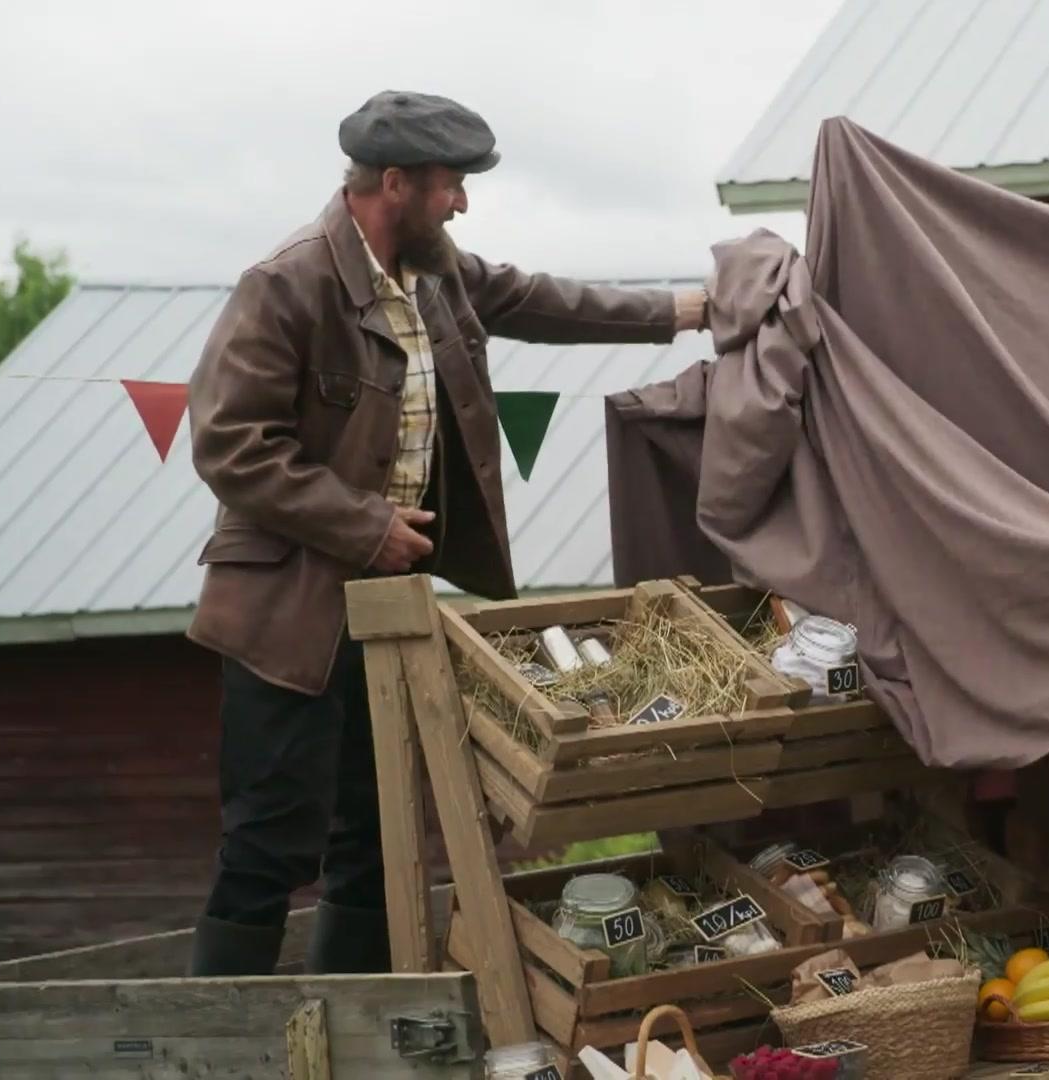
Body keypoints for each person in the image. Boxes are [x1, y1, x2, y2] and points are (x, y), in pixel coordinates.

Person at [183, 90, 708, 976]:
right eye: (450, 186)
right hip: (285, 612)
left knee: (380, 830)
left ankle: (354, 1039)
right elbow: (228, 444)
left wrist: (686, 310)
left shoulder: (435, 275)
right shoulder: (287, 284)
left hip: (386, 603)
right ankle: (217, 1053)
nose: (461, 203)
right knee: (272, 839)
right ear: (393, 184)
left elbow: (542, 299)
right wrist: (363, 525)